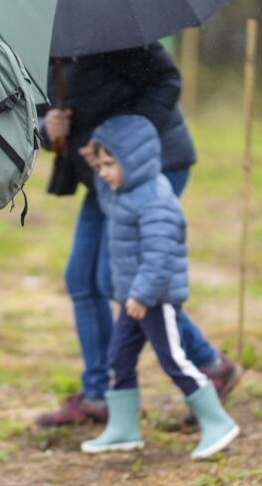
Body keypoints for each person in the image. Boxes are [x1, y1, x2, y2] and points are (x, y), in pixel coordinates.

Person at [35, 44, 241, 429]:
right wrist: (46, 128)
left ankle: (209, 366)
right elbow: (38, 111)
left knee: (118, 280)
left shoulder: (114, 33)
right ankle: (99, 396)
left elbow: (167, 81)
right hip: (105, 175)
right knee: (83, 279)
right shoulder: (47, 38)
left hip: (153, 165)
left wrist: (120, 139)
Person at [77, 118, 240, 459]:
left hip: (154, 300)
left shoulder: (156, 200)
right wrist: (97, 169)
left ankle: (217, 421)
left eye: (110, 164)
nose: (105, 173)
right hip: (133, 300)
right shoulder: (126, 193)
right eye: (101, 165)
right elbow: (109, 200)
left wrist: (142, 294)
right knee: (119, 358)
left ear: (133, 161)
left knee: (174, 360)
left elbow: (161, 254)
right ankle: (123, 428)